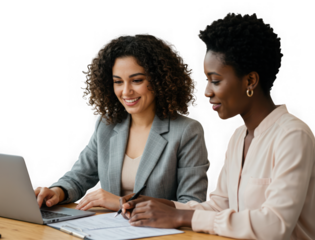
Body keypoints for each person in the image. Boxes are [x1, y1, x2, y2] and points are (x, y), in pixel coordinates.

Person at [119, 13, 315, 239]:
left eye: (215, 80)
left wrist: (183, 218)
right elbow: (220, 207)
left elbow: (274, 226)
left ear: (250, 81)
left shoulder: (293, 136)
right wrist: (170, 208)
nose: (207, 91)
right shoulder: (239, 136)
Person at [34, 33, 211, 212]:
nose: (126, 91)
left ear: (159, 80)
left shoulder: (187, 131)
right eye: (118, 82)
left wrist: (122, 203)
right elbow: (78, 177)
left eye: (137, 80)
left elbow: (193, 204)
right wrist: (57, 191)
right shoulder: (106, 125)